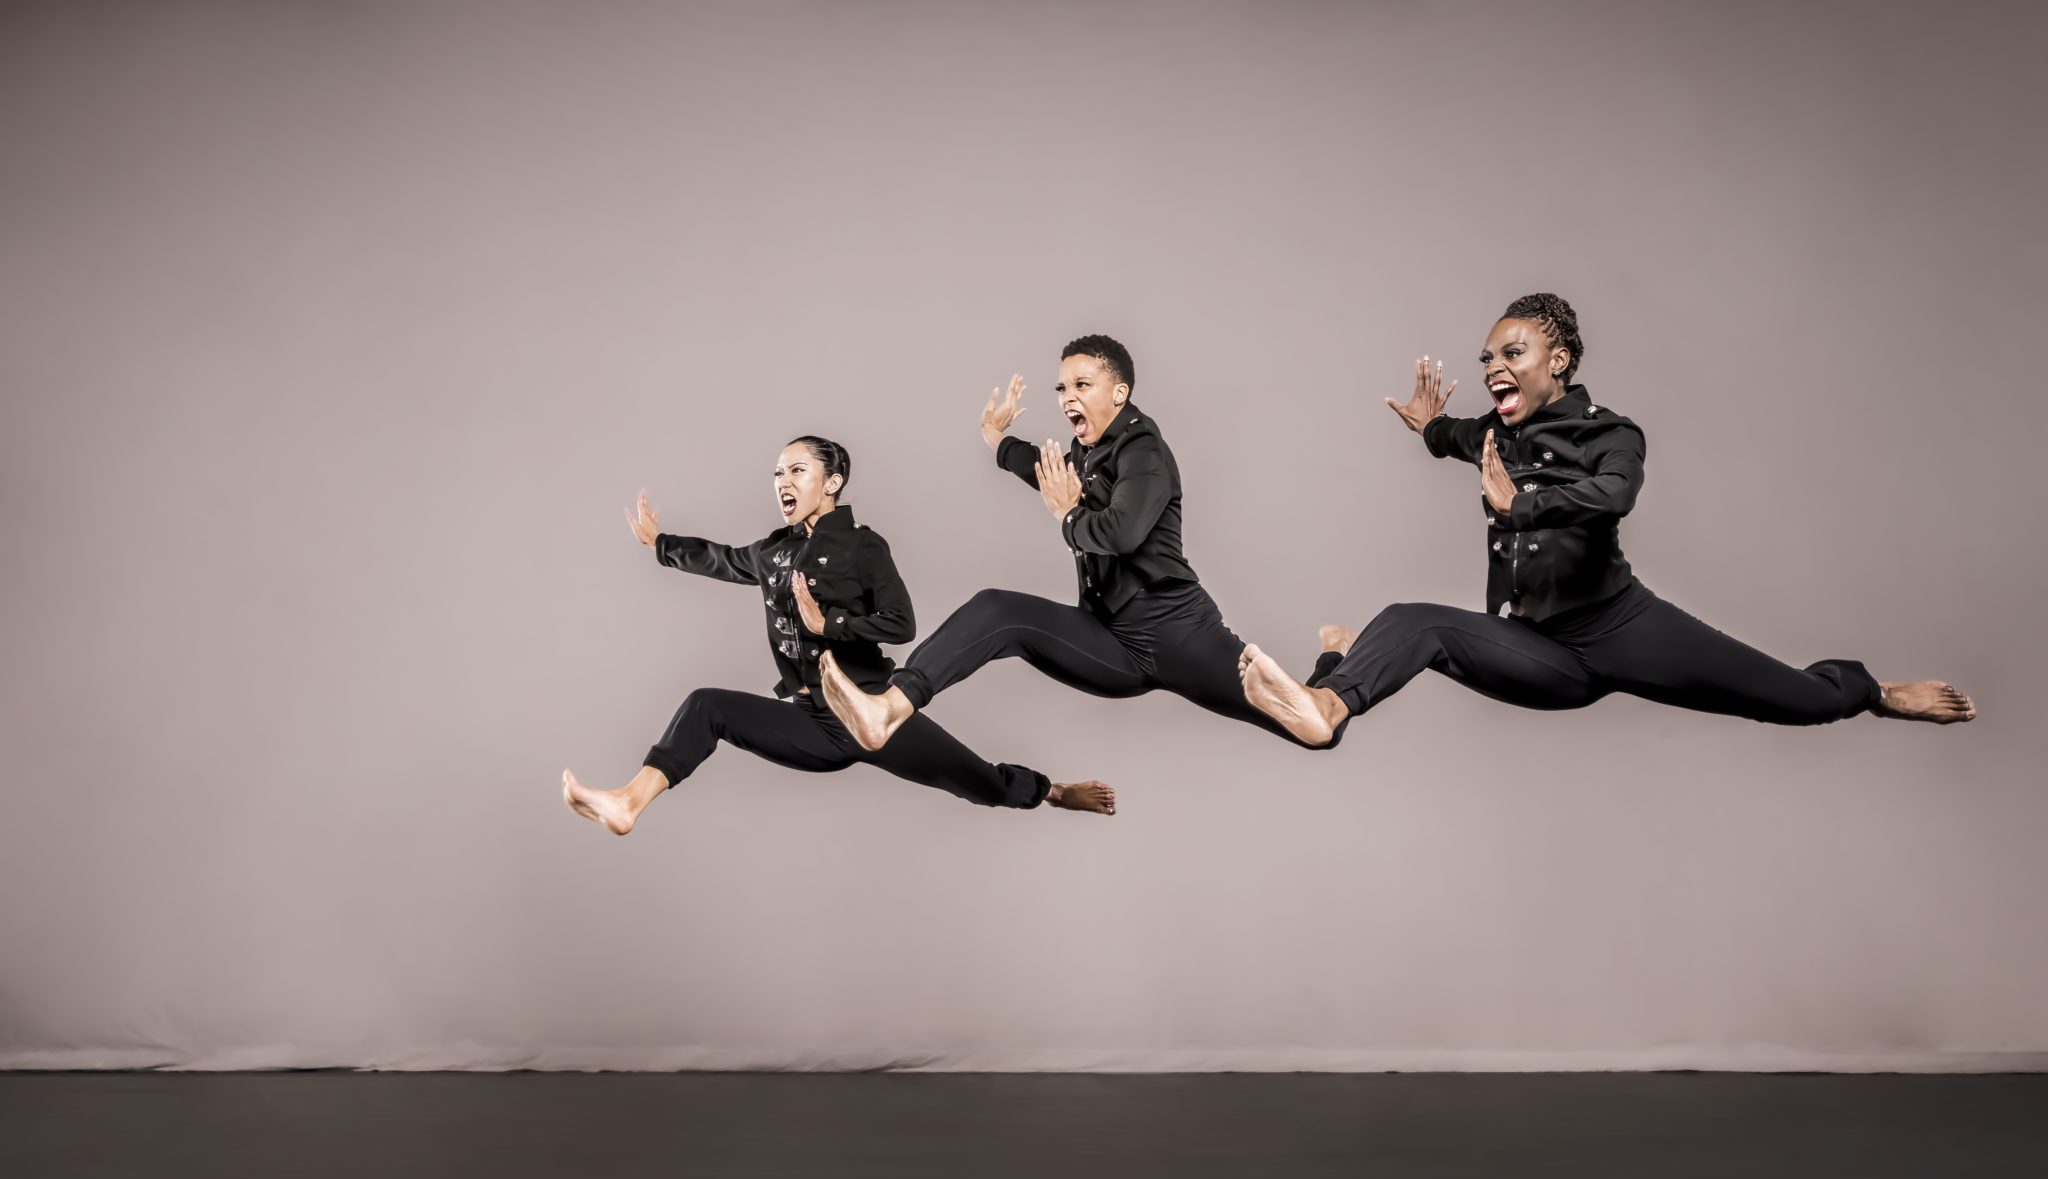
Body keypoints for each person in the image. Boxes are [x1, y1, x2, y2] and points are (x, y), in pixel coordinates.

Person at [1237, 293, 1976, 744]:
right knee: (1413, 619)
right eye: (1488, 355)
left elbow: (1613, 496)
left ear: (1557, 359)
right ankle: (1325, 696)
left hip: (1622, 629)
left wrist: (1519, 504)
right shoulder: (1497, 433)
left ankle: (1876, 693)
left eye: (1513, 352)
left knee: (1796, 698)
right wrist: (1431, 428)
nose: (1495, 365)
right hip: (1538, 651)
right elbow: (1455, 437)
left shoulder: (1611, 434)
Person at [562, 436, 1115, 835]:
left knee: (981, 782)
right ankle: (629, 802)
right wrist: (662, 544)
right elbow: (723, 560)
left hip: (873, 711)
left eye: (797, 471)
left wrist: (833, 626)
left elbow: (903, 623)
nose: (783, 481)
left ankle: (1055, 792)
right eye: (778, 472)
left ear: (832, 482)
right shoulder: (773, 551)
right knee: (706, 705)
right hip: (813, 722)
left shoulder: (863, 546)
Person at [818, 336, 1328, 753]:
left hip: (1178, 633)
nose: (1067, 397)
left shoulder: (1144, 451)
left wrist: (1066, 515)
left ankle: (1335, 661)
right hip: (1110, 641)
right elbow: (1042, 470)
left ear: (1119, 393)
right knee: (998, 610)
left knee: (1310, 727)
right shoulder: (1089, 450)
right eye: (1061, 387)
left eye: (1082, 384)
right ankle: (887, 708)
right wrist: (995, 438)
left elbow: (1122, 533)